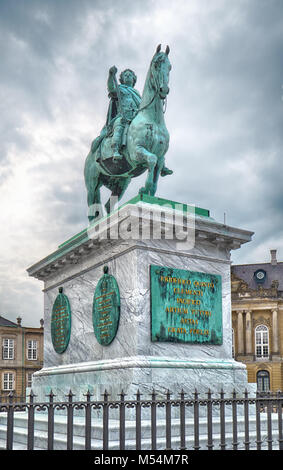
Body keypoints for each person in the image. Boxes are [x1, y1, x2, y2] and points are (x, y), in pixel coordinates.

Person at [92, 66, 172, 176]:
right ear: (122, 79)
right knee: (119, 125)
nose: (128, 76)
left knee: (152, 132)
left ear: (134, 79)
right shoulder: (120, 89)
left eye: (130, 75)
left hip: (136, 117)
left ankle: (161, 164)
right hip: (124, 116)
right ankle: (116, 150)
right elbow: (111, 88)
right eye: (126, 75)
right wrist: (111, 75)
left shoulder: (137, 93)